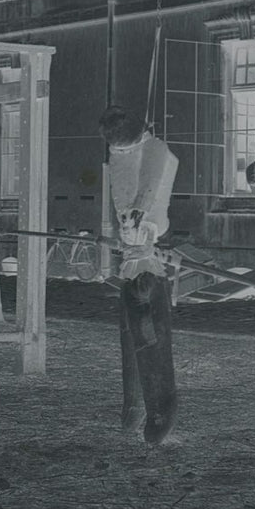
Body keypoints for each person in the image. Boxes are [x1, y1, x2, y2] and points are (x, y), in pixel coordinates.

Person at [100, 105, 179, 445]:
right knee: (130, 335)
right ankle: (134, 404)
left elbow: (150, 185)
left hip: (147, 261)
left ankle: (160, 406)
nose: (120, 152)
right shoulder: (117, 153)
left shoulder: (154, 149)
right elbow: (120, 195)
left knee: (150, 336)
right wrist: (124, 224)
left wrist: (140, 215)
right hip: (131, 262)